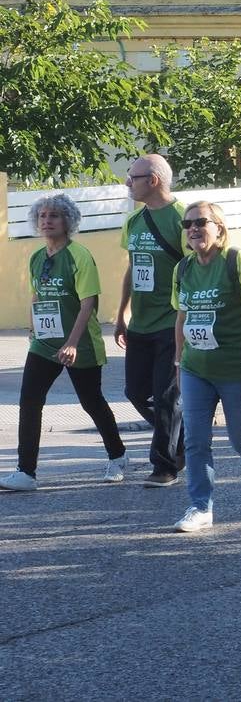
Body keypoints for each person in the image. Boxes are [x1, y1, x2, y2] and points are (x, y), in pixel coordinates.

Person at [1, 194, 127, 492]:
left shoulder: (79, 255)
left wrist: (71, 343)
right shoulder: (36, 257)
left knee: (91, 401)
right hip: (44, 345)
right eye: (43, 216)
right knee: (30, 401)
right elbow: (37, 294)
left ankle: (118, 455)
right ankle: (26, 472)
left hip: (79, 344)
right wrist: (33, 325)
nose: (47, 221)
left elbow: (88, 303)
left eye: (54, 216)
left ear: (67, 221)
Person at [170, 202, 241, 532]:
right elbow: (181, 317)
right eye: (187, 224)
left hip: (237, 366)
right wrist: (178, 361)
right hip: (196, 367)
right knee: (195, 440)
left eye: (200, 222)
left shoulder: (237, 261)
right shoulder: (184, 269)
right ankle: (200, 506)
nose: (193, 229)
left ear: (219, 227)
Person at [114, 154, 187, 488]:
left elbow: (196, 267)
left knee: (166, 394)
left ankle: (165, 466)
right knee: (136, 391)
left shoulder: (184, 218)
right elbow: (132, 267)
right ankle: (179, 437)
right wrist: (121, 313)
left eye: (133, 177)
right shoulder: (134, 221)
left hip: (171, 322)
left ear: (153, 180)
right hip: (140, 323)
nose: (128, 183)